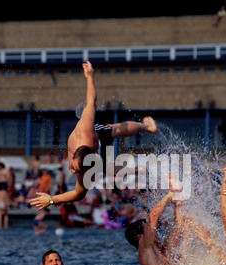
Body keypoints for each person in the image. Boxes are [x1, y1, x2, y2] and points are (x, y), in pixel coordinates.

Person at [30, 61, 157, 211]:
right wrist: (51, 200)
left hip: (97, 139)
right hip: (91, 149)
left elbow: (92, 102)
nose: (72, 171)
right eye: (75, 168)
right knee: (107, 165)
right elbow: (78, 194)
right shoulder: (84, 139)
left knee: (114, 130)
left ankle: (146, 127)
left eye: (76, 169)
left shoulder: (86, 145)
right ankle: (139, 169)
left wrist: (52, 200)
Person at [125, 189, 184, 265]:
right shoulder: (145, 252)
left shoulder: (163, 253)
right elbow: (154, 216)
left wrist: (178, 203)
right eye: (149, 228)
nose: (155, 231)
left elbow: (178, 227)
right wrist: (170, 194)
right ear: (140, 236)